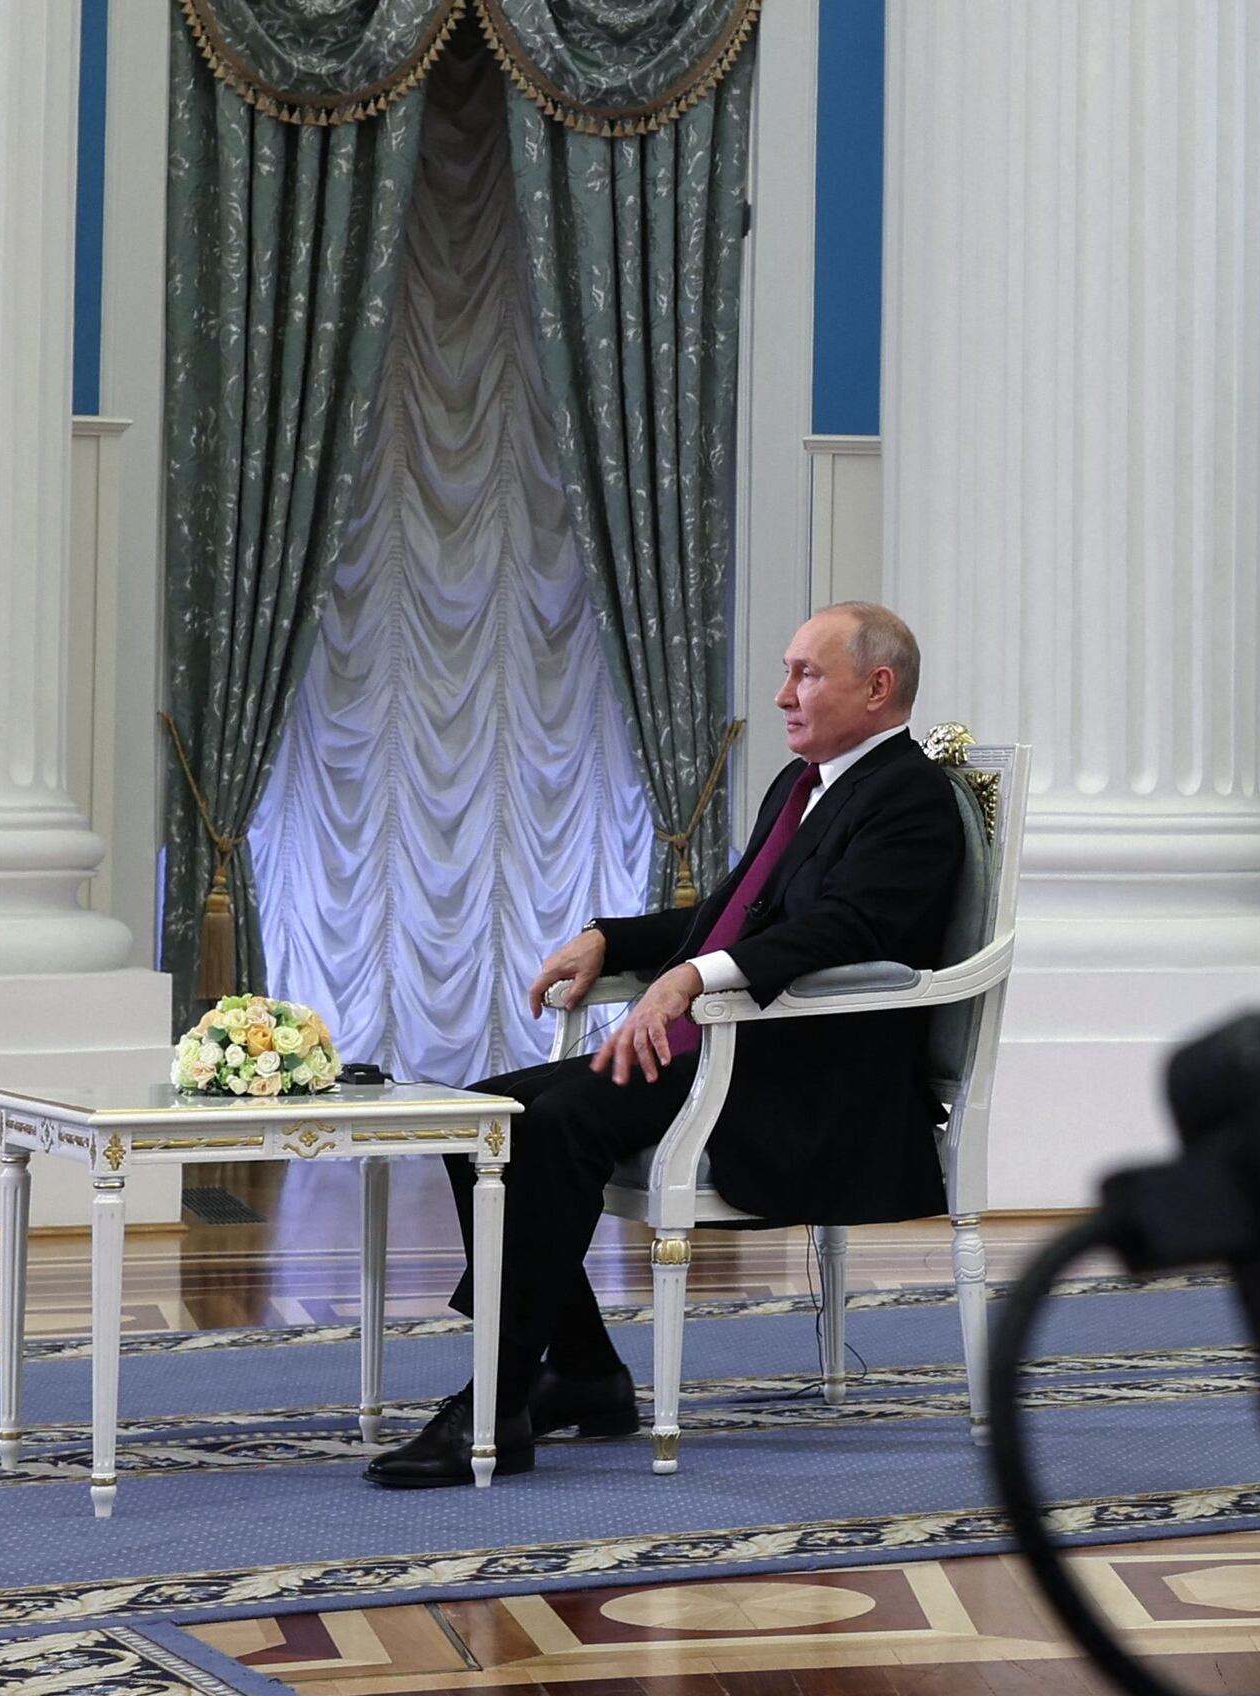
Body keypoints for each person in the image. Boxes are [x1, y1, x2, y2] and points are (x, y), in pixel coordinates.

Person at [364, 602, 969, 1487]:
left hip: (804, 1080)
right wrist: (611, 938)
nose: (782, 694)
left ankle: (495, 1402)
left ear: (878, 687)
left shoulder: (909, 797)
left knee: (559, 1123)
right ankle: (583, 1370)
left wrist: (691, 978)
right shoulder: (801, 783)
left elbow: (843, 930)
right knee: (483, 1116)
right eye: (788, 670)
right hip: (730, 1051)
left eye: (805, 673)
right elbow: (733, 913)